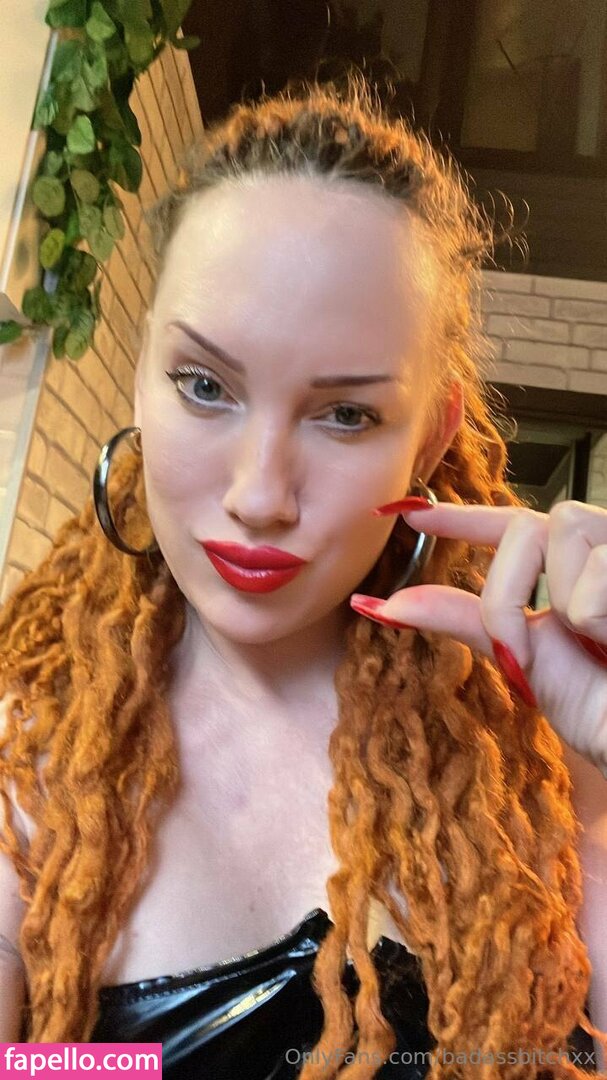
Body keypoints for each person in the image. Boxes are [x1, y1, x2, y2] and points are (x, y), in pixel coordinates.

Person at [1, 71, 607, 1080]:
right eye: (204, 385)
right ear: (143, 378)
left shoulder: (540, 776)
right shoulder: (24, 761)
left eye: (346, 415)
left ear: (429, 441)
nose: (259, 495)